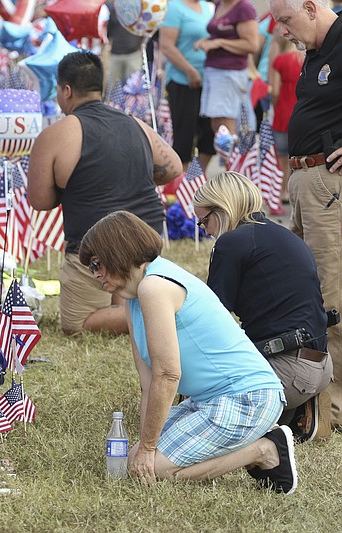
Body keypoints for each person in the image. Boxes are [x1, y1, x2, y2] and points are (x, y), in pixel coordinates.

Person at [79, 211, 295, 493]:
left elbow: (168, 375)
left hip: (248, 397)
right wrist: (144, 448)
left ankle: (265, 449)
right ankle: (254, 444)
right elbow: (148, 386)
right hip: (209, 400)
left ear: (117, 251)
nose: (95, 274)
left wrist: (149, 450)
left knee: (154, 469)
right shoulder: (135, 299)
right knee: (136, 463)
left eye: (97, 264)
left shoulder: (154, 286)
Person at [27, 51, 181, 336]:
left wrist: (77, 184)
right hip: (146, 244)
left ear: (67, 90)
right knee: (124, 283)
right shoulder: (136, 124)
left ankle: (151, 311)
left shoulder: (56, 134)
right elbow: (173, 168)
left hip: (94, 250)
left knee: (75, 324)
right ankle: (149, 302)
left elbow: (40, 200)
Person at [193, 172, 333, 441]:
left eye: (204, 221)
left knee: (203, 396)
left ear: (222, 210)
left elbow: (211, 320)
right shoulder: (282, 234)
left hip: (287, 371)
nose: (206, 230)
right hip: (322, 366)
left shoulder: (231, 242)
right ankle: (300, 409)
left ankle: (276, 418)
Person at [269, 0, 342, 428]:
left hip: (327, 184)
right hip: (303, 180)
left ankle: (332, 410)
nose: (282, 31)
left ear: (311, 8)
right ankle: (314, 393)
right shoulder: (316, 49)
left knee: (330, 294)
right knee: (302, 288)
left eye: (285, 20)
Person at [160, 0, 216, 173]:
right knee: (184, 135)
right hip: (182, 81)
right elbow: (166, 46)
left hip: (210, 81)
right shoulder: (175, 7)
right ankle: (180, 182)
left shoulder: (209, 7)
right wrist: (190, 71)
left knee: (209, 135)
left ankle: (196, 178)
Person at [194, 0, 260, 135]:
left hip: (230, 73)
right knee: (217, 124)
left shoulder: (243, 8)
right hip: (213, 71)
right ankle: (226, 155)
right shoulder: (220, 4)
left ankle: (232, 156)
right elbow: (219, 33)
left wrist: (220, 43)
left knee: (226, 126)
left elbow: (252, 45)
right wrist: (208, 41)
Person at [269, 36, 305, 204]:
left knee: (282, 159)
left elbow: (275, 91)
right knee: (300, 157)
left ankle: (283, 192)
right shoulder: (305, 59)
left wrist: (273, 105)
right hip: (301, 113)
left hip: (283, 113)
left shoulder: (280, 61)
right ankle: (298, 193)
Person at [104, 0, 145, 91]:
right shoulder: (114, 9)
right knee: (111, 88)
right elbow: (109, 31)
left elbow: (143, 30)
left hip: (133, 54)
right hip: (116, 53)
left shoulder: (139, 9)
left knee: (133, 88)